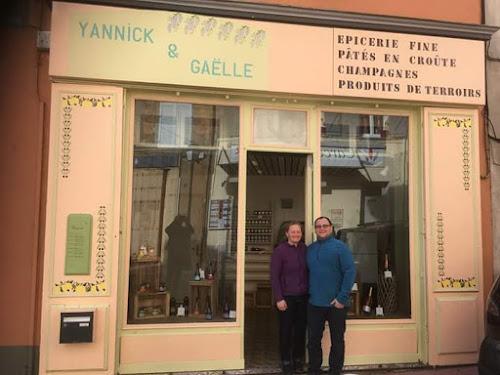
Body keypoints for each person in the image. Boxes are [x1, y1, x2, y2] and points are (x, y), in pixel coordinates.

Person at [306, 217, 356, 375]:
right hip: (315, 303)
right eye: (318, 226)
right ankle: (314, 370)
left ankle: (335, 371)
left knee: (337, 341)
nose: (322, 229)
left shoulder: (341, 247)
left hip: (336, 304)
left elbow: (350, 272)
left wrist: (342, 298)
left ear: (331, 227)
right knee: (313, 341)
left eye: (325, 226)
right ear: (315, 229)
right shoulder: (310, 249)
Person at [270, 221, 308, 374]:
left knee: (300, 330)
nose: (296, 234)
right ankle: (286, 360)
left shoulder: (305, 249)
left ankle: (297, 359)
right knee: (285, 330)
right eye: (293, 232)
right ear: (286, 234)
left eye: (298, 232)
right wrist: (279, 298)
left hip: (303, 297)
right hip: (286, 298)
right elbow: (274, 276)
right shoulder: (280, 251)